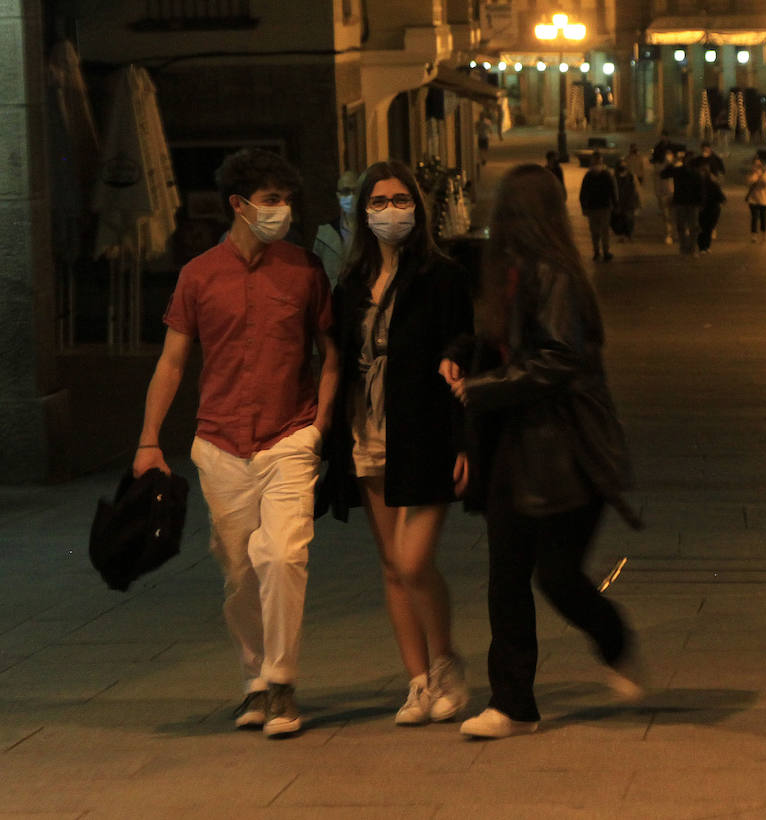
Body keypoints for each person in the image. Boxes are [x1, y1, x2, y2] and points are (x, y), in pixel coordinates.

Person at [132, 148, 339, 739]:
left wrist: (318, 427)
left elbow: (331, 356)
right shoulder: (198, 275)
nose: (282, 211)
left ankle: (281, 684)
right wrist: (149, 441)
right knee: (239, 569)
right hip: (220, 442)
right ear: (238, 205)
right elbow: (173, 363)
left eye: (286, 200)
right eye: (271, 201)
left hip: (289, 435)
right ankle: (253, 679)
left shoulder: (305, 270)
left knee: (283, 555)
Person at [442, 163, 643, 739]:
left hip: (565, 449)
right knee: (505, 577)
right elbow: (492, 339)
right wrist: (462, 352)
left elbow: (559, 358)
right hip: (511, 446)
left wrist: (478, 390)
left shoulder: (555, 274)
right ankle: (512, 704)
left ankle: (613, 639)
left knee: (556, 574)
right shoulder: (503, 271)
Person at [322, 160, 474, 727]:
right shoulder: (353, 281)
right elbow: (339, 356)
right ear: (363, 213)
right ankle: (416, 682)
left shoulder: (442, 274)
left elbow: (465, 340)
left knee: (414, 561)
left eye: (400, 199)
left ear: (418, 205)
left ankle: (447, 665)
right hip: (369, 429)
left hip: (425, 428)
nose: (391, 211)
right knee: (390, 563)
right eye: (379, 202)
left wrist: (463, 437)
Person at [312, 170, 357, 285]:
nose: (352, 196)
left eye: (356, 191)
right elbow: (317, 276)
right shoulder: (324, 235)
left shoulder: (374, 230)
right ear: (338, 195)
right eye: (346, 191)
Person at [578, 151, 618, 262]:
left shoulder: (604, 175)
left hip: (602, 207)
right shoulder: (591, 176)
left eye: (598, 161)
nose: (596, 164)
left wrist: (614, 204)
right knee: (596, 231)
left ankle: (604, 251)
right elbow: (583, 193)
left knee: (603, 231)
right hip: (595, 207)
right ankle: (598, 251)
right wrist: (584, 207)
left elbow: (612, 191)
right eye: (595, 161)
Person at [662, 150, 703, 255]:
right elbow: (664, 174)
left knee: (691, 227)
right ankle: (686, 248)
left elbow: (701, 189)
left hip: (689, 203)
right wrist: (672, 163)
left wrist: (701, 202)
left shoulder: (696, 172)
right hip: (683, 202)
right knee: (684, 226)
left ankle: (690, 248)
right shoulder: (680, 171)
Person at [697, 158, 726, 254]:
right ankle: (702, 247)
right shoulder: (698, 182)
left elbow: (719, 194)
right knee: (703, 228)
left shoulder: (712, 183)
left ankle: (706, 246)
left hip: (712, 208)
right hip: (704, 208)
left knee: (708, 228)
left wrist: (722, 200)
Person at [745, 155, 766, 243]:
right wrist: (755, 175)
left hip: (764, 199)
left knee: (763, 217)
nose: (757, 166)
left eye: (759, 164)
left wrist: (761, 175)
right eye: (755, 164)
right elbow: (749, 182)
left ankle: (764, 234)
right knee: (754, 217)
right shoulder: (751, 173)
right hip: (753, 199)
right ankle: (754, 235)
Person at [612, 160, 640, 241]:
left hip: (629, 202)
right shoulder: (614, 177)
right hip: (619, 202)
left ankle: (629, 235)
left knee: (629, 219)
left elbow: (637, 190)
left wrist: (638, 203)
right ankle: (622, 236)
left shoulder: (632, 177)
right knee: (620, 220)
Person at [653, 149, 676, 244]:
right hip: (664, 194)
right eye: (667, 155)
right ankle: (669, 234)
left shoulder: (677, 166)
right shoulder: (659, 168)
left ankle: (676, 233)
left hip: (675, 194)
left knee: (675, 215)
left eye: (670, 155)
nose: (669, 157)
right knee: (666, 216)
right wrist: (658, 193)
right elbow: (657, 182)